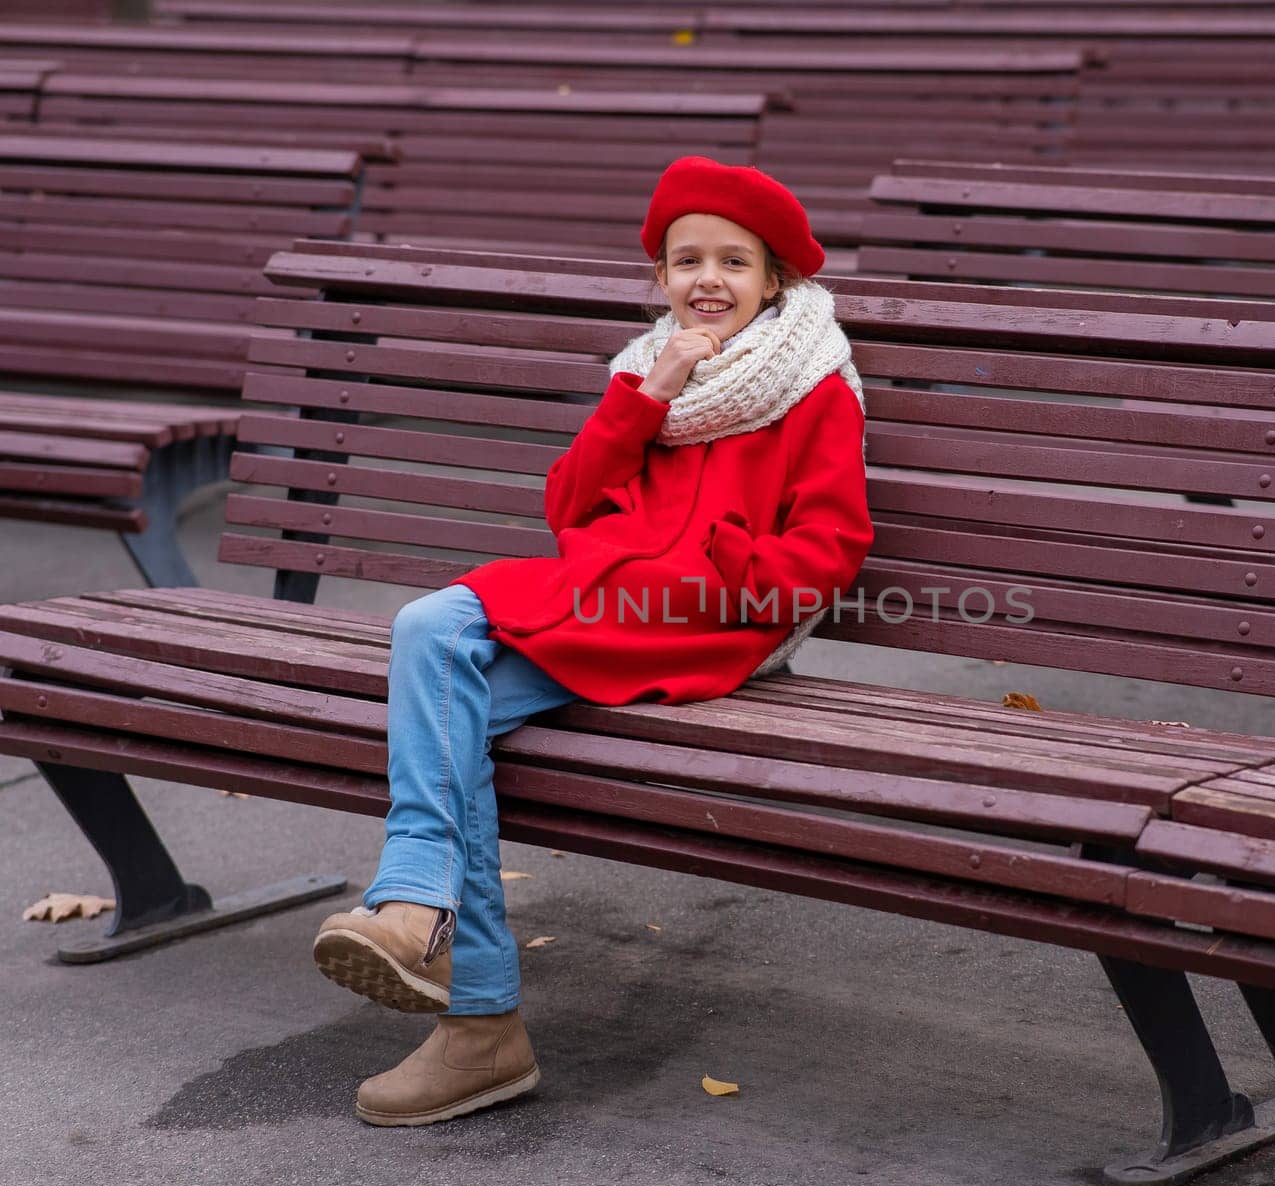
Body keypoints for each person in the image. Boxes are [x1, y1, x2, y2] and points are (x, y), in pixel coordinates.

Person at [308, 156, 874, 1127]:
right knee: (431, 635)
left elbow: (826, 557)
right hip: (593, 604)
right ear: (658, 277)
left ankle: (462, 994)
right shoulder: (645, 371)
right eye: (684, 258)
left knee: (445, 682)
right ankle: (424, 926)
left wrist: (714, 567)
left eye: (733, 262)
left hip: (692, 626)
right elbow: (568, 506)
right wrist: (649, 393)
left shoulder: (813, 386)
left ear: (774, 279)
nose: (707, 279)